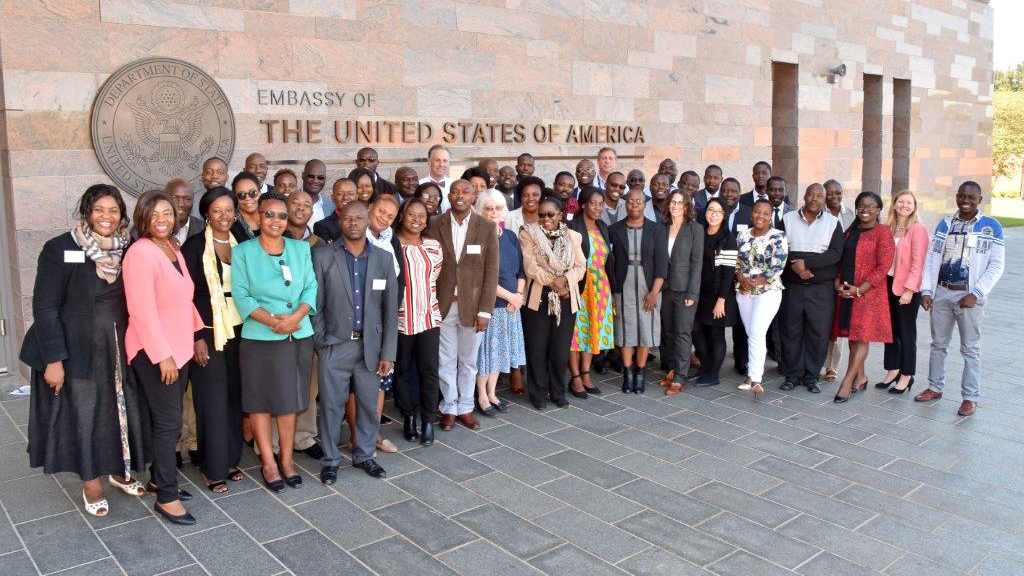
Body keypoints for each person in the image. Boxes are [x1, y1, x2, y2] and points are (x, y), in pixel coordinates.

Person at [21, 184, 147, 518]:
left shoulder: (128, 248)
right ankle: (91, 482)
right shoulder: (60, 248)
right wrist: (53, 359)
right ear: (86, 212)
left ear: (122, 215)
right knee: (86, 416)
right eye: (99, 210)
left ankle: (119, 471)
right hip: (76, 351)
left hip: (118, 349)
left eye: (113, 211)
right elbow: (45, 308)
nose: (106, 217)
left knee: (118, 411)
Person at [123, 189, 203, 525]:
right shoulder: (140, 253)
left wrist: (198, 335)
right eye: (154, 214)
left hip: (181, 345)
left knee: (168, 420)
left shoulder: (171, 247)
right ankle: (166, 497)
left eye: (167, 213)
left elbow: (184, 297)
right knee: (168, 423)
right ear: (142, 217)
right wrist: (163, 356)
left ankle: (159, 479)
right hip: (155, 351)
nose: (162, 220)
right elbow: (141, 311)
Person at [232, 192, 317, 492]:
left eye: (282, 215)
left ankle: (288, 460)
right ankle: (268, 462)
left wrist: (294, 319)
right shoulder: (242, 252)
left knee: (289, 402)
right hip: (259, 337)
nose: (276, 220)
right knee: (260, 403)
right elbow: (242, 295)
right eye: (270, 214)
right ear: (259, 217)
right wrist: (274, 321)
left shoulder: (299, 249)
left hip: (297, 335)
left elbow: (310, 287)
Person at [312, 201, 398, 483]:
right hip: (335, 345)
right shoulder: (323, 255)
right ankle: (330, 459)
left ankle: (364, 455)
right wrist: (321, 342)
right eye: (347, 218)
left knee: (368, 405)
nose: (353, 223)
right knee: (331, 407)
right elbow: (317, 304)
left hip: (371, 348)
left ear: (367, 219)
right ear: (340, 221)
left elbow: (389, 310)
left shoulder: (384, 259)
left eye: (358, 218)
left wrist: (389, 352)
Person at [915, 181, 1004, 416]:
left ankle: (970, 397)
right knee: (938, 345)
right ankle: (935, 387)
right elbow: (932, 259)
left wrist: (977, 293)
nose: (966, 200)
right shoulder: (945, 223)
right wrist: (926, 290)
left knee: (970, 348)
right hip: (943, 292)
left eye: (971, 197)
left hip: (969, 296)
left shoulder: (991, 226)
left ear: (979, 200)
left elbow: (996, 266)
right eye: (962, 196)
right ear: (956, 197)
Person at [180, 187, 245, 493]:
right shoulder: (193, 248)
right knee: (211, 400)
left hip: (241, 331)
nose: (224, 216)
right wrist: (195, 336)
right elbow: (185, 296)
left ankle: (230, 459)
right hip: (208, 331)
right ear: (206, 213)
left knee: (234, 397)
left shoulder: (242, 243)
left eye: (229, 210)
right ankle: (212, 466)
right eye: (217, 210)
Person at [424, 179, 499, 430]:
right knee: (445, 360)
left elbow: (491, 272)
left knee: (468, 361)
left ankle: (466, 407)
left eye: (465, 192)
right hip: (442, 305)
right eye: (454, 191)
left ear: (472, 196)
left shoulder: (486, 226)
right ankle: (449, 407)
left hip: (474, 307)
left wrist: (486, 310)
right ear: (448, 195)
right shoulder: (434, 224)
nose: (459, 195)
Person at [346, 194, 401, 455]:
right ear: (370, 209)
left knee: (380, 381)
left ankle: (372, 434)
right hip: (357, 324)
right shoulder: (355, 238)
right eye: (381, 211)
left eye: (390, 215)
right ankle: (357, 435)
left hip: (381, 324)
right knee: (357, 385)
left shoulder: (391, 242)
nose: (384, 217)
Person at [520, 195, 586, 409]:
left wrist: (564, 281)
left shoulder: (573, 236)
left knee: (559, 350)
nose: (545, 218)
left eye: (550, 214)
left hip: (566, 299)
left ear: (560, 214)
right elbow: (530, 268)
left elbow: (580, 266)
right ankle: (538, 394)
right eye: (541, 215)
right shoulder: (528, 233)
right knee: (537, 349)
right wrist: (555, 281)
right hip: (538, 299)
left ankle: (558, 392)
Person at [779, 183, 844, 393]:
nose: (814, 198)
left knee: (818, 333)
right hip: (792, 286)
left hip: (821, 289)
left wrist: (807, 265)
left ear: (824, 199)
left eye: (819, 195)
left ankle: (812, 376)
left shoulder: (833, 223)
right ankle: (792, 375)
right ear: (804, 197)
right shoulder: (788, 219)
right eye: (811, 194)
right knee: (791, 331)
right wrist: (797, 269)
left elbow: (835, 254)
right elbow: (780, 250)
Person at [831, 192, 895, 403]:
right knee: (852, 337)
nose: (865, 210)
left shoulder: (883, 233)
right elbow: (841, 259)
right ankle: (862, 376)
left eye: (871, 206)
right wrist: (838, 282)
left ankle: (847, 382)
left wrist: (860, 290)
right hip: (847, 290)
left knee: (861, 337)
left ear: (878, 210)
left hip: (868, 294)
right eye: (861, 206)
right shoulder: (851, 232)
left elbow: (882, 267)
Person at [393, 198, 443, 445]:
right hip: (400, 320)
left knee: (429, 372)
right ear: (401, 215)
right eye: (411, 214)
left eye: (421, 216)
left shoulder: (433, 245)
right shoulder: (391, 245)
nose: (416, 219)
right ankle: (409, 417)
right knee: (402, 371)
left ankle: (427, 420)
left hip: (428, 318)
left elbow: (436, 278)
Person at [609, 189, 668, 394]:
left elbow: (661, 263)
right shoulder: (615, 229)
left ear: (645, 204)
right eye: (631, 201)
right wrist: (613, 291)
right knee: (625, 330)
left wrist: (654, 292)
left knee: (646, 329)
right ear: (625, 204)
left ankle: (641, 373)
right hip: (623, 286)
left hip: (649, 286)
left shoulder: (657, 229)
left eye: (639, 201)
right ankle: (628, 374)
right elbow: (611, 262)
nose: (634, 205)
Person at [474, 190, 526, 414]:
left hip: (511, 307)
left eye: (497, 208)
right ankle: (482, 395)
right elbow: (482, 276)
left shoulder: (511, 236)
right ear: (480, 211)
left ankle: (493, 392)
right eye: (488, 208)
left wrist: (519, 297)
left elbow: (521, 271)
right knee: (486, 355)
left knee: (501, 353)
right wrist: (511, 297)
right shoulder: (477, 238)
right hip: (491, 306)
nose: (493, 212)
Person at [876, 190, 928, 394]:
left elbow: (918, 263)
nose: (905, 205)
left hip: (906, 287)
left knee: (906, 333)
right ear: (895, 204)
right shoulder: (888, 227)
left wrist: (910, 289)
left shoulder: (918, 229)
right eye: (901, 201)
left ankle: (907, 375)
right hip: (886, 285)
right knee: (890, 331)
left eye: (909, 202)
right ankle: (893, 369)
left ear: (914, 206)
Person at [735, 199, 789, 396]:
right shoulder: (742, 235)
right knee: (752, 334)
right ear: (752, 214)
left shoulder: (778, 236)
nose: (761, 216)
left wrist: (753, 282)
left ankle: (754, 378)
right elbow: (737, 263)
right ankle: (753, 373)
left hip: (768, 292)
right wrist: (741, 278)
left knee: (757, 332)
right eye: (757, 212)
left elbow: (778, 267)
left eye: (766, 213)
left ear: (771, 216)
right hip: (744, 292)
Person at [568, 187, 615, 396]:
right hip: (580, 286)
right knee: (577, 332)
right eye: (593, 203)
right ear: (583, 204)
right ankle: (575, 377)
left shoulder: (603, 226)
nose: (597, 208)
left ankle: (587, 374)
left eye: (600, 203)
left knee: (591, 331)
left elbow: (608, 260)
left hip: (600, 287)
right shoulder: (572, 227)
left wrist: (612, 289)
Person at [657, 189, 703, 394]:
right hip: (665, 288)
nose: (675, 205)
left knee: (682, 333)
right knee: (668, 332)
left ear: (686, 206)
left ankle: (681, 376)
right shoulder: (662, 227)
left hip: (685, 290)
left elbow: (696, 263)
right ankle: (672, 369)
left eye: (679, 202)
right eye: (672, 202)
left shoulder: (695, 229)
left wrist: (693, 294)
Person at [690, 199, 739, 387]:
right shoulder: (700, 232)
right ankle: (705, 367)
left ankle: (713, 374)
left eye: (718, 212)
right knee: (696, 330)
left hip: (719, 294)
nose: (713, 214)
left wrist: (721, 300)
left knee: (716, 334)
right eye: (711, 210)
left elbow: (728, 273)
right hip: (700, 292)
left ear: (725, 215)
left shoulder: (728, 238)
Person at [822, 179, 856, 381]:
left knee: (839, 320)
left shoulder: (851, 214)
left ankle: (832, 366)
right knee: (822, 320)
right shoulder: (819, 213)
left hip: (845, 275)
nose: (834, 197)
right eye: (830, 193)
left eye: (838, 193)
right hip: (825, 273)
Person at [717, 177, 752, 375]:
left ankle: (741, 360)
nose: (729, 195)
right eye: (726, 191)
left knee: (740, 319)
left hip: (741, 274)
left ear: (740, 193)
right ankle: (714, 358)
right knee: (718, 317)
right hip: (719, 272)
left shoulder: (748, 213)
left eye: (733, 191)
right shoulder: (714, 212)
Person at [313, 178, 357, 243]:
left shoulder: (365, 222)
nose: (345, 197)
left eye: (350, 194)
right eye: (340, 194)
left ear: (356, 197)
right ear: (333, 198)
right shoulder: (322, 226)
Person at [167, 179, 204, 245]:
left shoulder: (202, 229)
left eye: (187, 199)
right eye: (174, 199)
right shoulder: (155, 227)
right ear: (164, 200)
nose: (181, 204)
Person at [302, 159, 335, 224]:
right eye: (311, 176)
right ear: (303, 176)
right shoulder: (290, 201)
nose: (315, 181)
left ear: (325, 179)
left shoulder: (332, 206)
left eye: (320, 177)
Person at [420, 144, 452, 212]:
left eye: (445, 161)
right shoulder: (419, 184)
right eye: (437, 160)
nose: (441, 164)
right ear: (429, 161)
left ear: (448, 163)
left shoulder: (454, 185)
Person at [231, 171, 262, 241]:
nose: (248, 198)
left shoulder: (271, 216)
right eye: (241, 195)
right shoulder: (230, 224)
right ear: (235, 197)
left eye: (253, 193)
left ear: (259, 193)